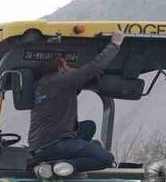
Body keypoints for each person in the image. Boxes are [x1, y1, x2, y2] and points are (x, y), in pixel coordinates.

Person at [29, 31, 125, 174]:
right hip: (57, 144)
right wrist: (114, 44)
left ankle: (60, 160)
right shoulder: (63, 81)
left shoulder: (41, 85)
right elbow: (94, 67)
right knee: (105, 158)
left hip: (39, 145)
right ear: (61, 64)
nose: (71, 69)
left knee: (88, 127)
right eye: (68, 65)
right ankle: (63, 167)